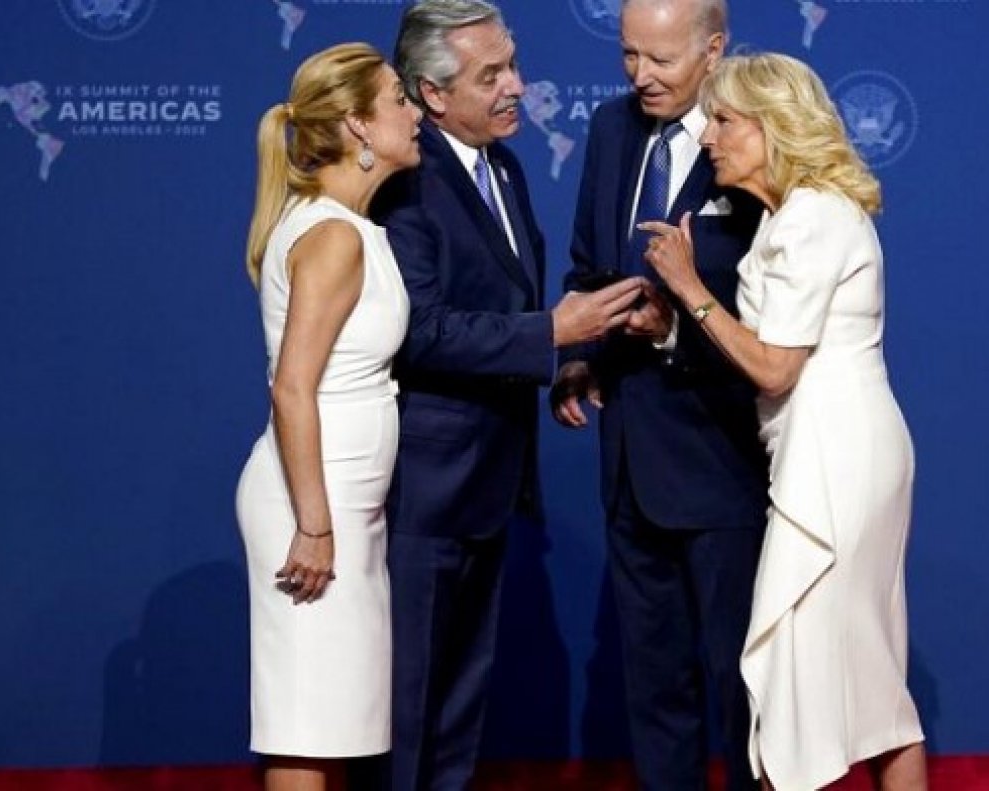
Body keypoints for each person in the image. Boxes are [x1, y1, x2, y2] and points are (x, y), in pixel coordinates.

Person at [369, 2, 643, 789]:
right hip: (424, 490)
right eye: (492, 75)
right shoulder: (406, 182)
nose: (518, 86)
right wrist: (549, 335)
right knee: (406, 708)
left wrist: (562, 359)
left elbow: (505, 306)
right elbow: (418, 330)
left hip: (490, 483)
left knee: (459, 708)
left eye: (512, 64)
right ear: (431, 92)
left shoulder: (506, 166)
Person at [641, 52, 928, 790]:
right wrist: (676, 325)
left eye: (727, 121)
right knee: (857, 682)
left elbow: (774, 367)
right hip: (818, 450)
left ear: (775, 127)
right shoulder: (788, 219)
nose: (709, 136)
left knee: (812, 680)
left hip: (837, 457)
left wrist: (687, 286)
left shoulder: (814, 218)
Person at [552, 1, 768, 788]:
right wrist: (579, 355)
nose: (640, 76)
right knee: (655, 690)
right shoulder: (612, 129)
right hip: (629, 462)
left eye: (661, 61)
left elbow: (782, 309)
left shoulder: (757, 135)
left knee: (744, 687)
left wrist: (676, 329)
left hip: (722, 458)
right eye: (628, 56)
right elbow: (587, 264)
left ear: (714, 50)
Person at [235, 43, 422, 791]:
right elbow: (292, 387)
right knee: (307, 725)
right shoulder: (334, 236)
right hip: (313, 503)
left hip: (343, 500)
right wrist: (314, 523)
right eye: (400, 102)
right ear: (358, 127)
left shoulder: (349, 226)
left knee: (334, 721)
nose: (415, 114)